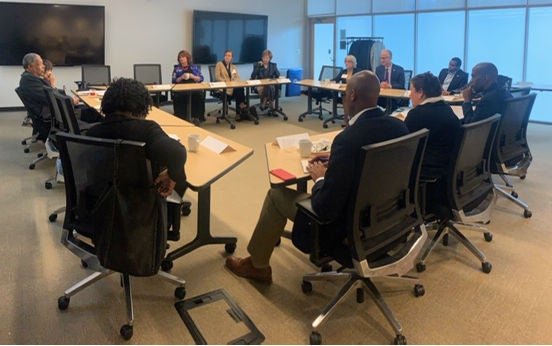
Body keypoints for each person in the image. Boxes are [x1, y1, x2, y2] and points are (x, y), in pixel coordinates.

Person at [225, 71, 409, 284]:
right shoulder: (399, 127)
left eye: (345, 92)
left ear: (352, 96)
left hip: (347, 227)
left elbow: (325, 208)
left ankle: (257, 265)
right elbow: (374, 163)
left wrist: (320, 179)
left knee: (276, 195)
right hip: (387, 220)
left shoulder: (348, 140)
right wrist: (338, 159)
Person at [86, 78, 188, 241]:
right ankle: (168, 225)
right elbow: (177, 154)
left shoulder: (92, 133)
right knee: (180, 176)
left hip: (100, 209)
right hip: (139, 211)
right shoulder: (147, 130)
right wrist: (173, 177)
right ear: (142, 107)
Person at [404, 72, 461, 215]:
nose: (410, 96)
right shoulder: (446, 109)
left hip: (428, 168)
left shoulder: (417, 115)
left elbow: (404, 147)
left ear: (421, 93)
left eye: (411, 91)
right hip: (448, 168)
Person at [18, 53, 52, 142]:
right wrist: (51, 83)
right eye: (40, 64)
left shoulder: (31, 78)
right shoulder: (30, 80)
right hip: (46, 114)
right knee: (85, 112)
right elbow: (50, 98)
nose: (43, 66)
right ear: (30, 66)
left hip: (43, 110)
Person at [215, 49, 256, 120]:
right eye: (226, 55)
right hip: (223, 89)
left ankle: (239, 111)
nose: (227, 57)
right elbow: (218, 77)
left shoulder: (233, 67)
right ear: (224, 56)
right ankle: (241, 108)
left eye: (229, 56)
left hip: (232, 88)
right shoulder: (219, 64)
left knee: (240, 88)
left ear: (231, 58)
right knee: (239, 91)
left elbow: (237, 77)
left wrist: (239, 82)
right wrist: (227, 82)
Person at [171, 50, 206, 123]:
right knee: (178, 96)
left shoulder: (194, 67)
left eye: (183, 57)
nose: (181, 59)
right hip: (181, 89)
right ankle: (180, 117)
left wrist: (193, 76)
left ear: (187, 58)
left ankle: (197, 117)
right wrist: (181, 78)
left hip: (193, 88)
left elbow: (201, 78)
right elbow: (174, 80)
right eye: (180, 57)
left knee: (199, 95)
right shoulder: (176, 69)